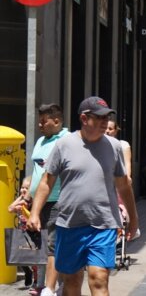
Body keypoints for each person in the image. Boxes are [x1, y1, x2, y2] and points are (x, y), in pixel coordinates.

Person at [28, 96, 138, 296]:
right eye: (99, 117)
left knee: (99, 278)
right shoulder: (64, 144)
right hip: (69, 224)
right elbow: (46, 182)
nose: (105, 121)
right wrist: (35, 213)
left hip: (103, 223)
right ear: (84, 118)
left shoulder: (114, 146)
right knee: (72, 281)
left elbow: (123, 186)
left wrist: (133, 219)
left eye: (107, 117)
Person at [29, 103, 69, 296]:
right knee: (43, 244)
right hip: (38, 201)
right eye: (39, 121)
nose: (40, 125)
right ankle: (49, 285)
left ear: (57, 121)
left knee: (53, 244)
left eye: (44, 121)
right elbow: (37, 172)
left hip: (58, 201)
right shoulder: (41, 141)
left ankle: (50, 289)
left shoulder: (67, 140)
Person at [8, 177, 38, 292]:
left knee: (35, 259)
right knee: (20, 256)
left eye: (26, 188)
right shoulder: (22, 201)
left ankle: (36, 281)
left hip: (33, 233)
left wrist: (24, 205)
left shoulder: (34, 201)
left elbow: (32, 215)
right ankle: (27, 272)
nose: (23, 189)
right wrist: (20, 197)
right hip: (22, 232)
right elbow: (10, 208)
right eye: (22, 187)